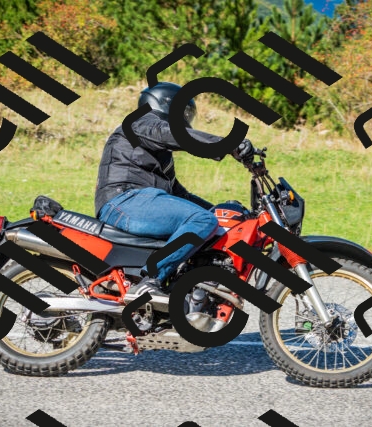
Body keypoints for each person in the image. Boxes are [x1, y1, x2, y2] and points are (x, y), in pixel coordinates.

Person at [94, 82, 254, 309]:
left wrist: (220, 213)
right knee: (202, 220)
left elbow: (179, 195)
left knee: (209, 219)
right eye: (184, 112)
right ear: (166, 105)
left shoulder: (158, 154)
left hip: (138, 201)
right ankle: (151, 279)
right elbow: (174, 134)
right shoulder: (141, 123)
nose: (186, 118)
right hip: (124, 200)